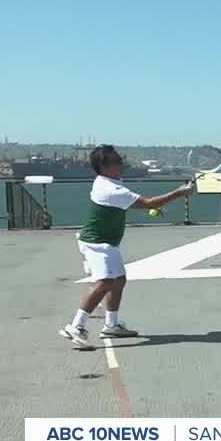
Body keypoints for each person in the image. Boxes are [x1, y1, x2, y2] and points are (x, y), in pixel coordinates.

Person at [58, 145, 193, 349]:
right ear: (104, 166)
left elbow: (141, 203)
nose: (122, 164)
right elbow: (148, 203)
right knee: (104, 282)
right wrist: (180, 193)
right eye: (117, 161)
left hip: (107, 243)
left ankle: (111, 325)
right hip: (97, 244)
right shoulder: (110, 189)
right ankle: (76, 326)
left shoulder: (108, 182)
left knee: (119, 280)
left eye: (121, 160)